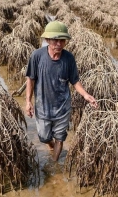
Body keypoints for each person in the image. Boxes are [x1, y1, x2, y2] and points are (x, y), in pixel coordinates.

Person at [25, 21, 96, 162]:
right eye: (55, 40)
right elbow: (31, 80)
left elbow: (75, 81)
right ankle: (50, 144)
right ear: (47, 40)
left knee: (60, 137)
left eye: (62, 40)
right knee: (44, 137)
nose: (58, 43)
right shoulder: (37, 56)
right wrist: (28, 101)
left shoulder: (69, 58)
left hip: (63, 107)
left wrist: (86, 95)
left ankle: (54, 163)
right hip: (43, 107)